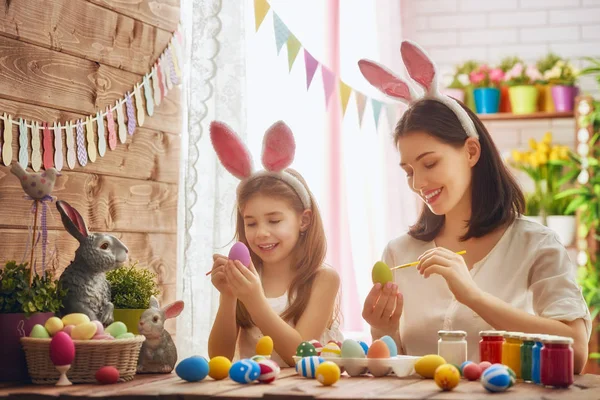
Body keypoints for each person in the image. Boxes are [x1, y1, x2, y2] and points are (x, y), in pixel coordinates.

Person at [358, 41, 591, 373]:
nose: (418, 183)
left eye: (430, 163)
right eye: (409, 171)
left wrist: (474, 297)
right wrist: (383, 330)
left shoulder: (535, 244)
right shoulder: (399, 254)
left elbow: (576, 352)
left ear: (470, 152)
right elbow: (400, 367)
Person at [207, 120, 342, 367]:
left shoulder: (323, 279)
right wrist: (228, 296)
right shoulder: (248, 276)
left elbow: (300, 355)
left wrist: (254, 299)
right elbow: (219, 358)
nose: (261, 234)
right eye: (251, 223)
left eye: (274, 220)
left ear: (304, 220)